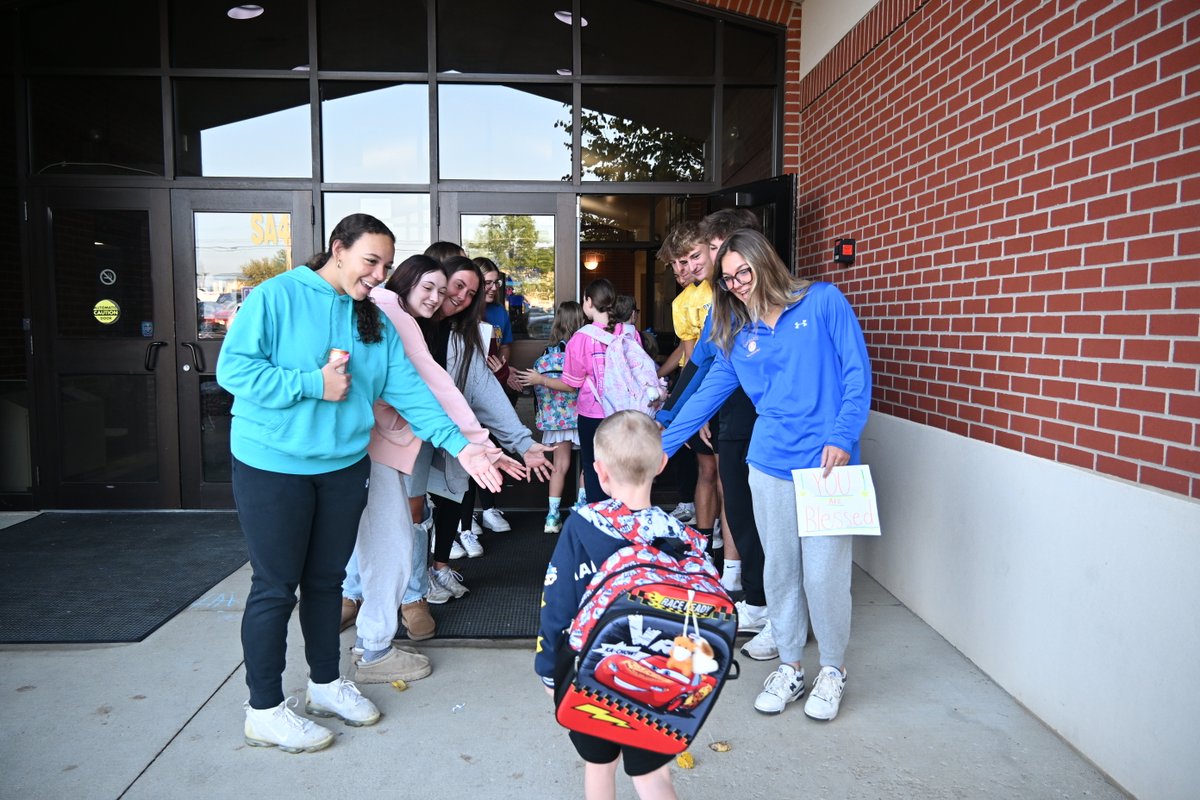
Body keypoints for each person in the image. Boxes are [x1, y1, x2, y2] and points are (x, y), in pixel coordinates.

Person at [216, 214, 504, 753]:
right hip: (273, 464)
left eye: (386, 266)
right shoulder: (277, 296)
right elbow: (235, 371)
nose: (378, 274)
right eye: (371, 261)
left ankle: (325, 685)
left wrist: (463, 444)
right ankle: (264, 709)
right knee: (275, 587)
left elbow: (413, 392)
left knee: (327, 583)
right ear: (338, 249)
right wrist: (312, 384)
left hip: (343, 466)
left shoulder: (372, 317)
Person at [660, 228, 872, 721]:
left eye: (743, 272)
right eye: (728, 278)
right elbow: (707, 393)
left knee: (824, 576)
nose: (736, 284)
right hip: (769, 463)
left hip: (829, 465)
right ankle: (791, 666)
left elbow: (856, 374)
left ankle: (833, 669)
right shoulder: (738, 331)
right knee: (780, 570)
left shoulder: (823, 301)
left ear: (765, 262)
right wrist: (660, 448)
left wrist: (843, 437)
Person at [342, 255, 526, 676]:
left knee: (397, 531)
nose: (445, 298)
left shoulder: (410, 317)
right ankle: (361, 630)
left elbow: (430, 392)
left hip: (391, 444)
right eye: (435, 288)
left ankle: (385, 628)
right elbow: (429, 388)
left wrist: (482, 446)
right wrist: (478, 446)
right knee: (376, 539)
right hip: (357, 445)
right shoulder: (384, 305)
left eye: (453, 291)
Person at [535, 410, 684, 800]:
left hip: (592, 677)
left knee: (599, 766)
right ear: (662, 464)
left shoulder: (580, 526)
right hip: (657, 679)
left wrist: (549, 671)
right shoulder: (677, 536)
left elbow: (558, 602)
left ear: (598, 472)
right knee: (654, 776)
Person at [656, 208, 774, 655]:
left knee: (771, 525)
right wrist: (668, 421)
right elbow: (703, 367)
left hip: (774, 432)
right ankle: (759, 601)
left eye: (709, 248)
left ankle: (778, 612)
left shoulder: (804, 302)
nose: (704, 259)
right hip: (734, 421)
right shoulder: (724, 307)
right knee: (741, 513)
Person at [414, 256, 551, 598]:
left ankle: (439, 568)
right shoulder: (408, 323)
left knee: (451, 495)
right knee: (412, 510)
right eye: (458, 286)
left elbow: (483, 389)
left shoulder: (463, 335)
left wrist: (522, 442)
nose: (462, 296)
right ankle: (411, 589)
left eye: (471, 293)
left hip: (454, 433)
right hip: (407, 436)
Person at [516, 278, 630, 505]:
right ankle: (613, 511)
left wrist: (541, 380)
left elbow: (571, 384)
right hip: (621, 411)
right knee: (613, 465)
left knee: (583, 464)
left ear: (589, 302)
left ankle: (574, 514)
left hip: (586, 414)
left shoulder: (578, 340)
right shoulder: (628, 332)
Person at [658, 222, 722, 568]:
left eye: (690, 259)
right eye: (677, 264)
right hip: (701, 389)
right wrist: (689, 410)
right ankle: (707, 539)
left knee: (727, 475)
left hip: (726, 392)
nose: (684, 269)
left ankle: (728, 542)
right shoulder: (682, 302)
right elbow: (692, 356)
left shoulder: (725, 289)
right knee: (706, 468)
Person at [459, 256, 516, 537]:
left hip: (493, 387)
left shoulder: (498, 313)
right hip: (464, 394)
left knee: (491, 447)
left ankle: (490, 508)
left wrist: (502, 365)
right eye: (488, 283)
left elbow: (505, 346)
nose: (494, 288)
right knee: (469, 451)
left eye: (497, 283)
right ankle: (464, 519)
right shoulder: (464, 311)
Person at [531, 300, 588, 533]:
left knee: (559, 465)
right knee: (589, 464)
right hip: (582, 414)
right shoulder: (581, 348)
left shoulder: (548, 352)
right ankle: (582, 513)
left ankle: (552, 517)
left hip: (556, 420)